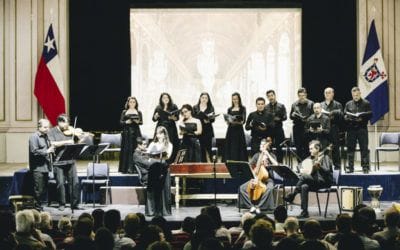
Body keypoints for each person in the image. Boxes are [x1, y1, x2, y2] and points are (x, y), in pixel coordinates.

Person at [284, 140, 333, 218]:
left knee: (304, 177)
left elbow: (328, 171)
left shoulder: (325, 157)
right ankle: (304, 212)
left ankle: (293, 194)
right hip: (316, 182)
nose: (310, 151)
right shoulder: (311, 158)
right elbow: (300, 166)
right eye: (309, 149)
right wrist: (301, 169)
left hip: (325, 181)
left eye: (311, 149)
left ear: (317, 149)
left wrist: (320, 167)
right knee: (304, 186)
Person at [47, 114, 81, 211]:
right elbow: (52, 143)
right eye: (66, 123)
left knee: (75, 182)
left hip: (70, 160)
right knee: (60, 184)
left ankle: (75, 204)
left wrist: (78, 136)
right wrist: (66, 142)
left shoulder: (70, 131)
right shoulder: (52, 131)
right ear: (60, 122)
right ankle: (61, 203)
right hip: (58, 162)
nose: (67, 126)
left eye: (68, 123)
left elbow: (77, 142)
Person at [238, 138, 276, 213]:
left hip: (268, 179)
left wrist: (267, 154)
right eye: (260, 144)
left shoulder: (271, 155)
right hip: (256, 178)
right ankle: (251, 206)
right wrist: (253, 176)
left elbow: (276, 165)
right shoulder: (257, 155)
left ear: (267, 146)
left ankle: (259, 206)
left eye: (262, 145)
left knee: (269, 189)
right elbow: (250, 166)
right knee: (241, 188)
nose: (260, 146)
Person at [146, 126, 173, 216]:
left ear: (164, 134)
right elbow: (148, 154)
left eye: (160, 133)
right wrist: (150, 156)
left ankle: (163, 211)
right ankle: (152, 211)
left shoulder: (169, 145)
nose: (158, 136)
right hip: (153, 168)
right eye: (157, 133)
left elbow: (168, 156)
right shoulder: (153, 144)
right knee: (152, 189)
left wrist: (160, 155)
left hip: (163, 168)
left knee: (163, 190)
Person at [344, 86, 372, 173]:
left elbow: (370, 114)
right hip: (351, 129)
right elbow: (345, 115)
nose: (355, 97)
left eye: (357, 95)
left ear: (360, 94)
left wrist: (362, 117)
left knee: (364, 148)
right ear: (352, 95)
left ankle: (365, 167)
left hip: (362, 129)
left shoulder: (366, 103)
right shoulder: (348, 104)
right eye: (354, 95)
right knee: (350, 148)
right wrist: (349, 118)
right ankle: (351, 167)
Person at [29, 119, 55, 210]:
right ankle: (36, 208)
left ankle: (39, 206)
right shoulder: (34, 137)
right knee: (38, 189)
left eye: (48, 127)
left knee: (43, 188)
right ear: (39, 127)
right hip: (38, 167)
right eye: (45, 127)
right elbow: (34, 151)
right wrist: (47, 151)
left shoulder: (46, 136)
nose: (47, 129)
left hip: (45, 167)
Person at [321, 87, 344, 170]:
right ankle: (325, 167)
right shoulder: (321, 105)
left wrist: (333, 114)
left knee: (335, 148)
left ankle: (337, 167)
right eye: (326, 93)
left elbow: (341, 117)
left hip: (334, 128)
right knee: (324, 148)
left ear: (333, 94)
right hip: (324, 129)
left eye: (329, 92)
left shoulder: (337, 104)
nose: (327, 94)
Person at [119, 96, 143, 173]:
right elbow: (121, 122)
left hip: (136, 132)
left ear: (136, 103)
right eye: (131, 102)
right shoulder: (124, 111)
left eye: (134, 102)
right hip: (127, 133)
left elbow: (141, 122)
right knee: (127, 149)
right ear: (128, 103)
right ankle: (126, 168)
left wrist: (137, 122)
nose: (132, 103)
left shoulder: (138, 112)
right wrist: (126, 122)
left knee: (135, 149)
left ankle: (135, 169)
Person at [152, 93, 180, 159]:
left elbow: (177, 118)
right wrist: (155, 116)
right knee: (161, 143)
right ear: (161, 99)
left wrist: (173, 118)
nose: (165, 99)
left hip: (171, 127)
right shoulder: (158, 107)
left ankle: (171, 160)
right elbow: (153, 119)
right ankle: (160, 160)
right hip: (161, 127)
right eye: (164, 98)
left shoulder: (174, 106)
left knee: (171, 143)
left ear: (169, 98)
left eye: (167, 97)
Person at [290, 87, 314, 161]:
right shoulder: (294, 104)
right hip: (297, 128)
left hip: (307, 128)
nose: (301, 97)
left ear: (306, 95)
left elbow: (314, 115)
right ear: (298, 95)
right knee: (298, 147)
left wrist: (308, 119)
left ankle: (308, 165)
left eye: (303, 95)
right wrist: (293, 115)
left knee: (308, 147)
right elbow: (290, 116)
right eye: (300, 95)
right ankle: (299, 165)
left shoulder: (311, 103)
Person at [224, 92, 248, 162]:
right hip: (231, 130)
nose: (235, 100)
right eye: (233, 99)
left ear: (239, 99)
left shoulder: (242, 108)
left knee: (239, 147)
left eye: (236, 99)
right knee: (230, 146)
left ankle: (240, 163)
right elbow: (228, 121)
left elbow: (243, 121)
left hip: (239, 131)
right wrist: (228, 121)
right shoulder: (229, 109)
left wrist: (236, 121)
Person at [265, 90, 287, 163]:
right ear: (267, 97)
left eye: (272, 95)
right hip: (269, 130)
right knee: (269, 148)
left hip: (278, 129)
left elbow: (285, 117)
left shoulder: (281, 106)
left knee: (279, 149)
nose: (271, 97)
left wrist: (279, 118)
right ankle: (270, 166)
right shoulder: (266, 107)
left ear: (275, 95)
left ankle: (280, 166)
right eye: (269, 96)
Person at [193, 92, 216, 162]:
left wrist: (208, 120)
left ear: (208, 99)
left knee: (208, 148)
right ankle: (201, 163)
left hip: (207, 130)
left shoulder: (210, 107)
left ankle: (210, 165)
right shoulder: (195, 107)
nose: (204, 99)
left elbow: (213, 119)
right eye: (203, 97)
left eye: (206, 98)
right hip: (198, 130)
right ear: (200, 98)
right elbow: (193, 117)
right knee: (200, 149)